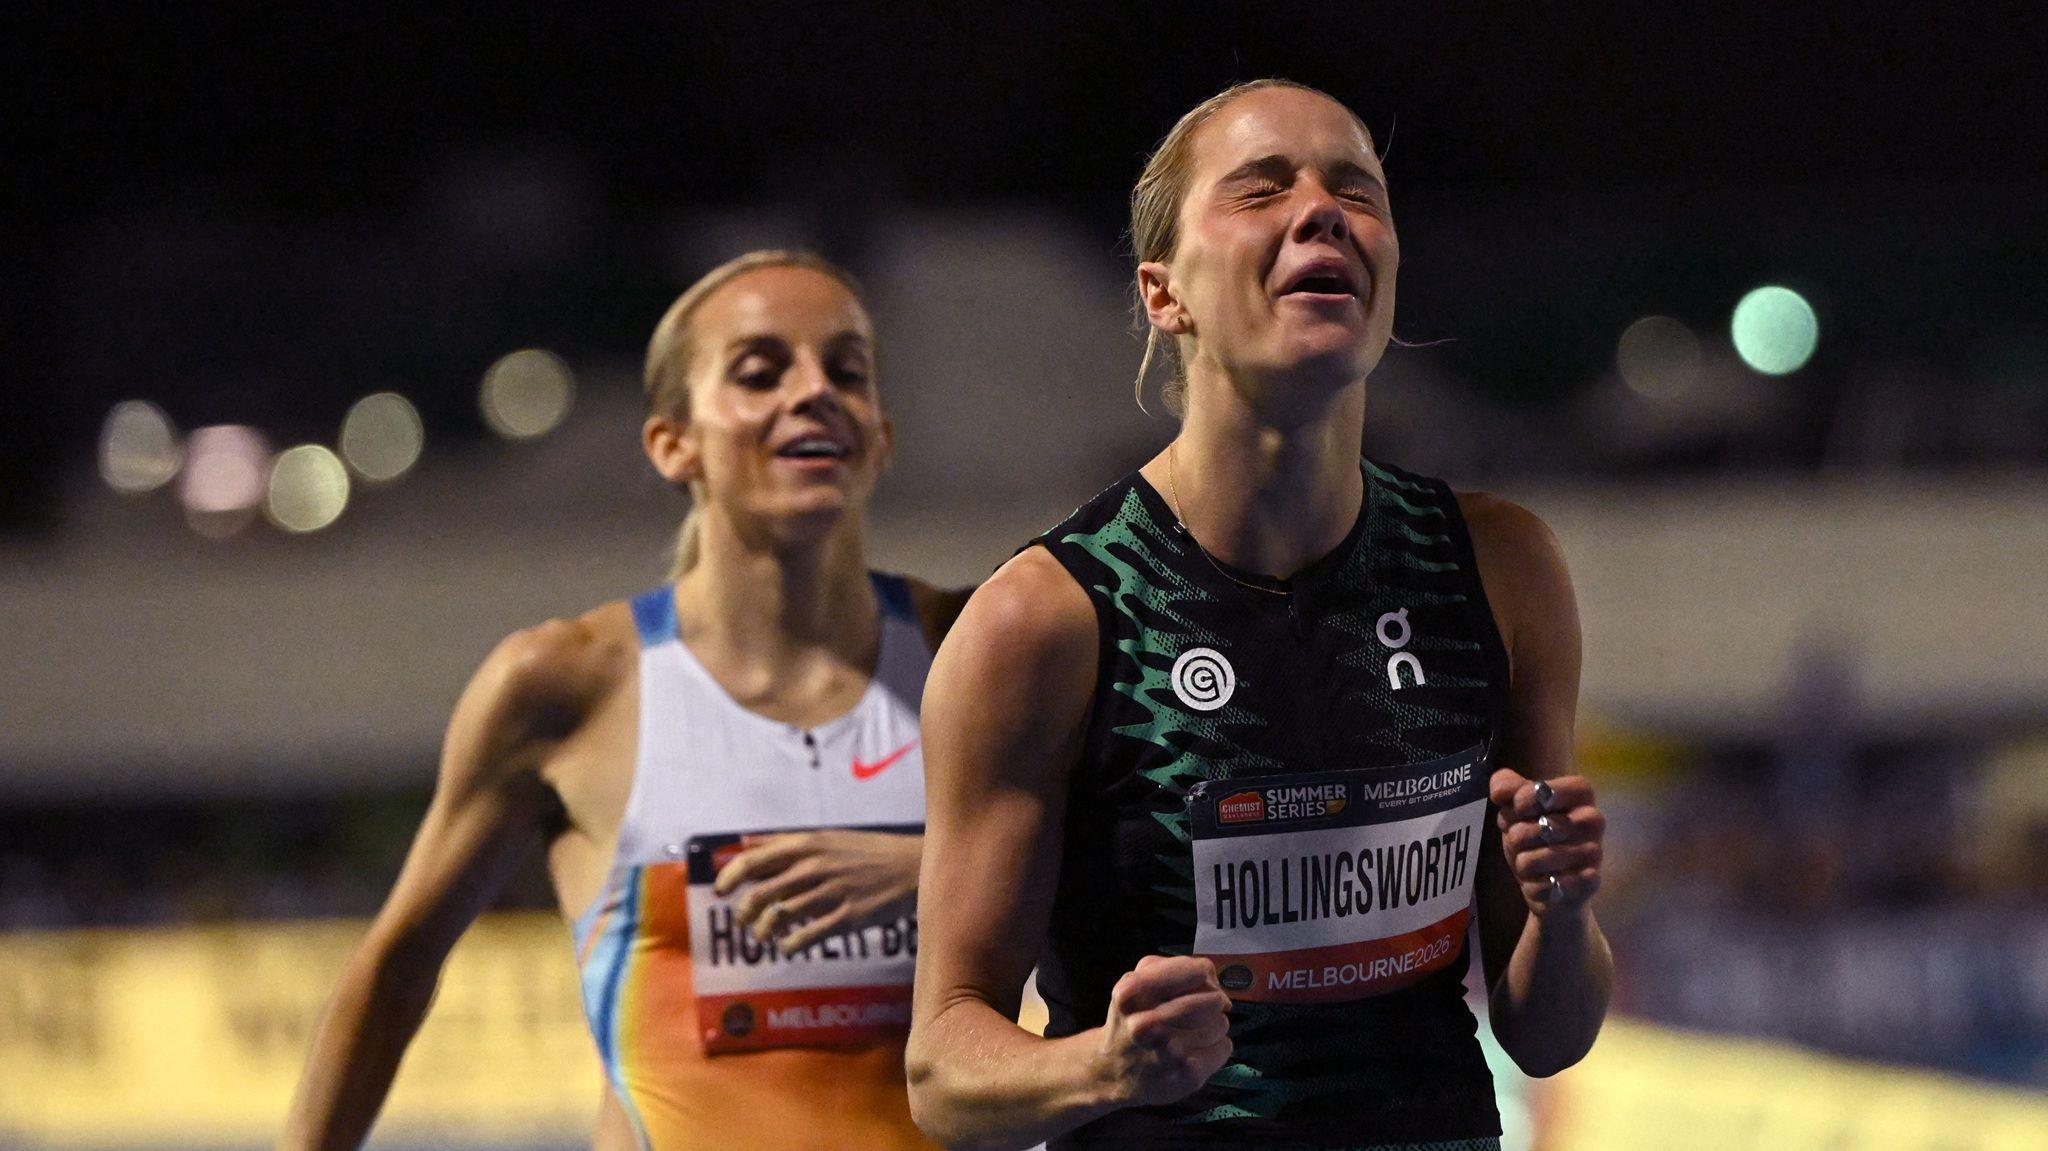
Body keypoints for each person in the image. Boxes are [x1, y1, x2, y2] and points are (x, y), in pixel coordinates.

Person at [906, 80, 1613, 1151]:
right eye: (1258, 190)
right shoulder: (1044, 620)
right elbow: (942, 1073)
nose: (1319, 210)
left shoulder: (1498, 566)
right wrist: (1099, 1063)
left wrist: (1560, 916)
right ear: (1162, 292)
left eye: (1354, 191)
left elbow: (1547, 1035)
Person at [281, 250, 967, 1151]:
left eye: (846, 370)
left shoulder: (974, 653)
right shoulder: (567, 687)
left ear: (879, 433)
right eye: (761, 372)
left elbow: (1127, 873)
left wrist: (920, 872)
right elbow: (397, 965)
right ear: (672, 443)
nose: (813, 391)